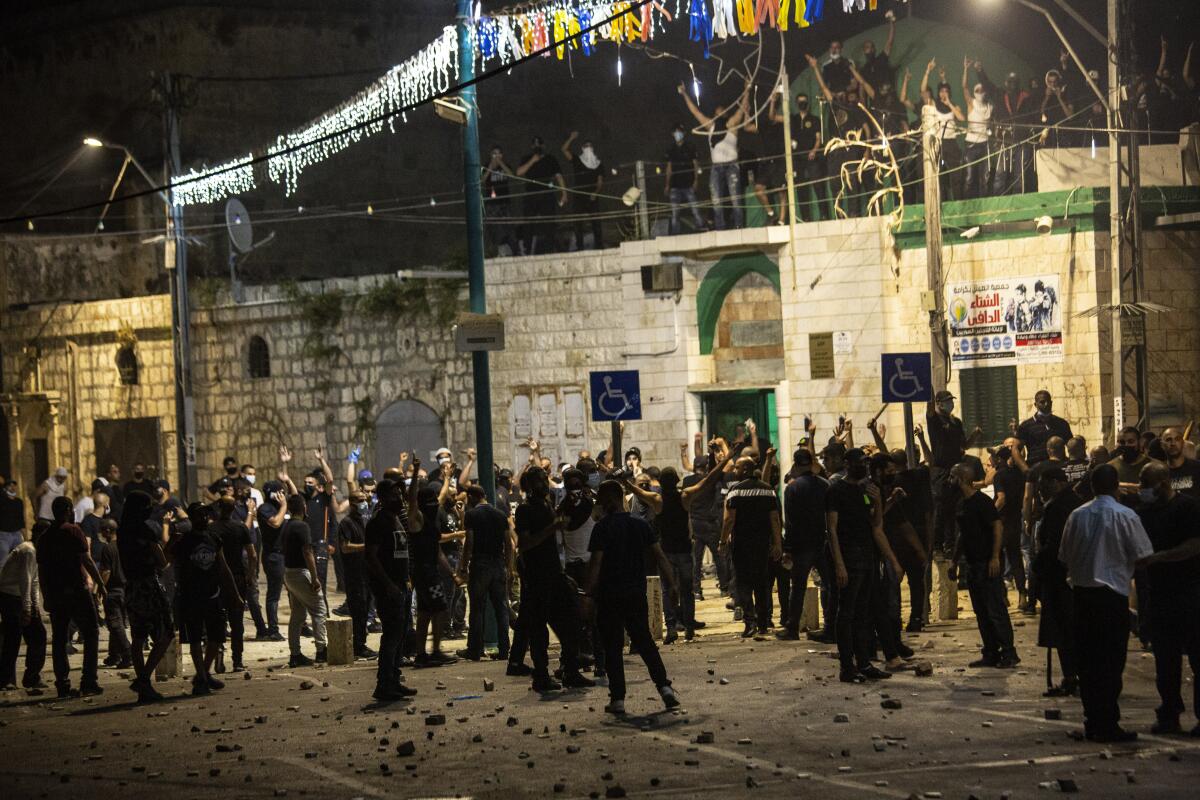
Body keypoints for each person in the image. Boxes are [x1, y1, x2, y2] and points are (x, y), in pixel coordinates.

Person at [1058, 464, 1153, 743]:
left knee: (1087, 663)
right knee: (1111, 662)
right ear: (1116, 487)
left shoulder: (1077, 515)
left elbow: (1064, 556)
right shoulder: (1125, 515)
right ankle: (1108, 722)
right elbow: (1142, 555)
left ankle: (1093, 719)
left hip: (1083, 596)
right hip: (1112, 597)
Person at [583, 479, 681, 716]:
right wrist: (672, 584)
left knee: (613, 647)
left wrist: (588, 595)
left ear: (609, 500)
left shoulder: (602, 528)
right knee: (645, 642)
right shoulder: (640, 525)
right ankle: (664, 687)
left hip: (609, 595)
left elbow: (596, 564)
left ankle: (618, 699)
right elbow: (659, 556)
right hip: (635, 592)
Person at [1135, 462, 1200, 735]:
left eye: (1145, 483)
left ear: (1162, 484)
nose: (1142, 489)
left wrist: (1160, 557)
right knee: (1165, 660)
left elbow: (1194, 545)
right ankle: (1169, 714)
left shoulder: (1188, 508)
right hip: (1158, 596)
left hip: (1190, 594)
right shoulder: (1145, 514)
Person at [513, 467, 592, 692]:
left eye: (543, 479)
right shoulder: (525, 510)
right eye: (537, 480)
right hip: (538, 577)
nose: (543, 483)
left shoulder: (545, 505)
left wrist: (569, 502)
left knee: (572, 621)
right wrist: (553, 527)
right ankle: (541, 675)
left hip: (554, 573)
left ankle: (570, 670)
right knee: (539, 630)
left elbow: (557, 518)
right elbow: (525, 544)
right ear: (529, 485)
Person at [826, 448, 901, 683]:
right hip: (848, 558)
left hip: (866, 557)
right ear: (847, 464)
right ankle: (847, 667)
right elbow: (832, 530)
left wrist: (879, 501)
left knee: (863, 614)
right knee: (846, 614)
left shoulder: (865, 490)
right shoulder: (836, 490)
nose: (864, 466)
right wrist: (839, 564)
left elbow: (875, 524)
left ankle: (864, 663)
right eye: (860, 462)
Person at [947, 463, 1020, 669]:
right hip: (972, 565)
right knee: (981, 611)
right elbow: (963, 534)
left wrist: (995, 557)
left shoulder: (982, 502)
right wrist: (954, 561)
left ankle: (1008, 652)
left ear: (960, 479)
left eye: (952, 477)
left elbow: (997, 527)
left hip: (986, 564)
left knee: (995, 610)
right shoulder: (962, 504)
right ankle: (990, 652)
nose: (949, 481)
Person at [36, 495, 104, 697]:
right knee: (91, 632)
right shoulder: (74, 531)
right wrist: (100, 582)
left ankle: (62, 685)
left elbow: (42, 571)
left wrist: (46, 595)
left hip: (57, 595)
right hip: (77, 591)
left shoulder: (45, 537)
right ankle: (88, 681)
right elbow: (87, 560)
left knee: (59, 638)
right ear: (67, 510)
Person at [364, 477, 419, 701]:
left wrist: (406, 579)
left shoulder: (396, 519)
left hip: (401, 586)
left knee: (400, 635)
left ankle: (394, 680)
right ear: (383, 497)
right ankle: (384, 683)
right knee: (391, 636)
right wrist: (388, 585)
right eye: (394, 494)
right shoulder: (378, 522)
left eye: (400, 494)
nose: (399, 498)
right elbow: (371, 557)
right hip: (389, 589)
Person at [118, 490, 175, 703]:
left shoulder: (123, 532)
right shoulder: (145, 530)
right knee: (166, 633)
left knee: (139, 637)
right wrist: (172, 545)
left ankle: (144, 688)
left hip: (131, 588)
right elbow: (163, 561)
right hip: (148, 587)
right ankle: (143, 678)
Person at [177, 503, 240, 696]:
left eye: (205, 515)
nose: (203, 518)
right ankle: (202, 677)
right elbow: (172, 562)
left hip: (213, 595)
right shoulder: (185, 540)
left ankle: (203, 673)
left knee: (216, 637)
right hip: (192, 596)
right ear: (191, 518)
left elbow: (223, 566)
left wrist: (235, 593)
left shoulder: (214, 538)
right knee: (195, 638)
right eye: (199, 515)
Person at [1033, 467, 1083, 696]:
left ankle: (1072, 676)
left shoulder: (1059, 508)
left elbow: (1054, 545)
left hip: (1060, 577)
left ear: (1057, 482)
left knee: (1064, 629)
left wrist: (1038, 563)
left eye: (1043, 483)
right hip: (1069, 575)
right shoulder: (1072, 503)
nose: (1040, 489)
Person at [720, 456, 783, 638]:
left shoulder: (735, 491)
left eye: (738, 468)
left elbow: (729, 519)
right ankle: (763, 623)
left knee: (744, 584)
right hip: (763, 545)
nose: (735, 471)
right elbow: (775, 519)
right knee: (762, 584)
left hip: (742, 545)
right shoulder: (768, 490)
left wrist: (723, 542)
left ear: (746, 469)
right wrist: (777, 543)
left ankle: (750, 624)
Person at [678, 82, 749, 230]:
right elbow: (695, 112)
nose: (720, 112)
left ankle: (739, 226)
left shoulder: (732, 124)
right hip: (716, 167)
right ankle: (720, 227)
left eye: (723, 110)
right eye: (718, 111)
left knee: (735, 198)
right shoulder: (711, 126)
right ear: (715, 114)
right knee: (716, 199)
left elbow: (742, 108)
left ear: (726, 112)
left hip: (731, 166)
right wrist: (684, 94)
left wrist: (747, 89)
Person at [779, 448, 831, 641]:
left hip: (802, 545)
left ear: (795, 464)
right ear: (811, 463)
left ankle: (792, 627)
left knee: (798, 587)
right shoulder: (825, 485)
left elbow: (790, 521)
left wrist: (788, 548)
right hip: (823, 542)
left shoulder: (792, 488)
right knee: (829, 584)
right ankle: (830, 625)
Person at [456, 484, 512, 661]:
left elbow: (469, 542)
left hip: (480, 564)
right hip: (498, 563)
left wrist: (463, 566)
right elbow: (508, 543)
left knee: (477, 609)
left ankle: (475, 650)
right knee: (501, 608)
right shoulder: (500, 515)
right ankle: (504, 650)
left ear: (472, 497)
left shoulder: (472, 515)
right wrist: (509, 567)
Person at [281, 495, 327, 667]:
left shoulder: (287, 526)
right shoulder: (302, 526)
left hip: (289, 574)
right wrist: (315, 578)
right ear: (303, 508)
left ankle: (295, 655)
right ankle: (322, 651)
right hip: (301, 573)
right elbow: (308, 552)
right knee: (319, 610)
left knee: (298, 615)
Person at [210, 497, 256, 671]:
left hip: (217, 579)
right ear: (234, 508)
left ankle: (219, 653)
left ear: (219, 508)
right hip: (237, 578)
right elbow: (252, 555)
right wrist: (250, 577)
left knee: (218, 619)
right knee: (237, 621)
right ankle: (237, 661)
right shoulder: (240, 527)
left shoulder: (211, 528)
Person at [0, 522, 46, 690]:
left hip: (17, 596)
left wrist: (35, 607)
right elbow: (25, 580)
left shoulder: (34, 551)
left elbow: (34, 581)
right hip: (11, 596)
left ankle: (30, 677)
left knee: (36, 635)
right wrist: (27, 608)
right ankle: (7, 680)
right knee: (13, 638)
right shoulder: (28, 550)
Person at [656, 467, 696, 643]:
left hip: (666, 550)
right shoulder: (684, 497)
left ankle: (671, 627)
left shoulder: (658, 499)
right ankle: (689, 627)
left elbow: (636, 491)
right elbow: (707, 481)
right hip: (684, 550)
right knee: (687, 590)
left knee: (667, 590)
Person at [337, 488, 375, 660]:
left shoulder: (366, 520)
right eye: (360, 500)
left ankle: (361, 643)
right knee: (358, 611)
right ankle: (358, 646)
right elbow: (345, 547)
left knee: (366, 608)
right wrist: (366, 547)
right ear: (352, 503)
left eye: (365, 498)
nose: (364, 502)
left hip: (367, 573)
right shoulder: (346, 523)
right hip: (354, 575)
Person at [516, 135, 566, 255]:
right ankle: (527, 249)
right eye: (535, 144)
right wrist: (532, 161)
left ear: (543, 146)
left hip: (547, 194)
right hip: (531, 194)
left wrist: (564, 192)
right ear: (532, 146)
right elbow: (518, 172)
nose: (537, 146)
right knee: (528, 222)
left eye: (539, 144)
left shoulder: (550, 159)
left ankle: (550, 249)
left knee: (549, 222)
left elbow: (558, 176)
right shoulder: (527, 158)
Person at [255, 480, 288, 642]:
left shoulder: (279, 506)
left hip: (286, 554)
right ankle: (273, 630)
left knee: (295, 592)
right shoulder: (265, 509)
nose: (283, 495)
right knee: (274, 594)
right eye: (280, 492)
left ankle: (301, 626)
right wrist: (283, 507)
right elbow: (275, 523)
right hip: (273, 557)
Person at [560, 131, 604, 250]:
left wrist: (596, 192)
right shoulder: (577, 160)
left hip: (592, 196)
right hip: (579, 196)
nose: (588, 148)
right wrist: (571, 138)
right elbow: (564, 150)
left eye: (590, 146)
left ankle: (599, 247)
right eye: (586, 146)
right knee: (578, 223)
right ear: (582, 148)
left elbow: (600, 182)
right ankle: (580, 247)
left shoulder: (598, 164)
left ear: (593, 148)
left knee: (596, 223)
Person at [96, 519, 132, 668]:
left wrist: (100, 588)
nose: (102, 534)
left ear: (108, 531)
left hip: (113, 591)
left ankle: (127, 654)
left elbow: (106, 572)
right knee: (116, 624)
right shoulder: (126, 546)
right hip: (127, 590)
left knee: (115, 624)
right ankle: (114, 656)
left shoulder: (108, 548)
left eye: (103, 531)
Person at [961, 58, 997, 199]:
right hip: (971, 144)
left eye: (982, 89)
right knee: (969, 177)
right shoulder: (971, 103)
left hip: (985, 144)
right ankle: (966, 205)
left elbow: (993, 124)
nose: (980, 91)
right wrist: (966, 69)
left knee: (985, 177)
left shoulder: (990, 107)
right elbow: (964, 87)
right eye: (977, 90)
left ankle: (984, 203)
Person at [664, 123, 706, 234]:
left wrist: (696, 180)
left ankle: (701, 227)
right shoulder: (671, 149)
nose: (678, 134)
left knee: (695, 208)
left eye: (680, 132)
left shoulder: (690, 147)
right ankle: (675, 233)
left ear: (684, 133)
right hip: (675, 185)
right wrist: (667, 185)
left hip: (688, 183)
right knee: (675, 212)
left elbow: (695, 164)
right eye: (676, 132)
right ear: (673, 134)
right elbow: (669, 168)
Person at [1018, 390, 1074, 466]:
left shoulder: (1062, 423)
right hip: (1036, 469)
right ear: (1035, 404)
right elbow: (1017, 450)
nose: (1046, 404)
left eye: (1049, 402)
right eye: (1042, 402)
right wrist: (1025, 469)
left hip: (1059, 468)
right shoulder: (1026, 426)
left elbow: (1071, 446)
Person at [1108, 426, 1161, 491]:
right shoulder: (1111, 468)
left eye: (1131, 441)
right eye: (1122, 442)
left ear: (1140, 442)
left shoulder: (1155, 465)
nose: (1126, 445)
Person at [1161, 427, 1200, 498]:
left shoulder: (1197, 468)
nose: (1173, 443)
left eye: (1177, 439)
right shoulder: (1159, 472)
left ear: (1182, 442)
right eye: (1168, 440)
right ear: (1162, 445)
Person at [0, 476, 27, 564]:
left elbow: (21, 520)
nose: (12, 488)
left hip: (17, 534)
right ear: (5, 488)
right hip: (4, 535)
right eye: (9, 486)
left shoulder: (19, 502)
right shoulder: (2, 500)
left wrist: (25, 537)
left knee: (20, 559)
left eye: (14, 485)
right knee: (2, 560)